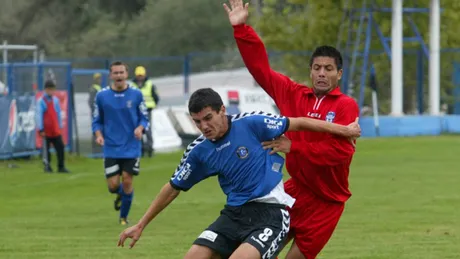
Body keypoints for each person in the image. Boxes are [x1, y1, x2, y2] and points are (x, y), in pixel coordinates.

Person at [117, 88, 360, 259]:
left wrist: (344, 130)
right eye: (197, 122)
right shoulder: (199, 151)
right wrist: (141, 224)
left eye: (208, 118)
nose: (204, 127)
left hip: (271, 214)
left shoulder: (252, 123)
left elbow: (300, 122)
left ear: (222, 110)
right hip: (234, 216)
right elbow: (173, 188)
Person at [224, 1, 360, 258]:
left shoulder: (346, 105)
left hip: (327, 202)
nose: (322, 73)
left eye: (328, 69)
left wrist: (294, 146)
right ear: (310, 71)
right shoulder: (292, 93)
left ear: (339, 74)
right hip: (294, 191)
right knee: (256, 250)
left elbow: (340, 152)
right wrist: (241, 29)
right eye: (317, 68)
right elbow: (260, 69)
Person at [92, 61, 150, 225]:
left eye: (121, 73)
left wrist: (140, 128)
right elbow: (96, 120)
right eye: (115, 73)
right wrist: (98, 135)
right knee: (112, 185)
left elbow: (144, 118)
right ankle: (122, 195)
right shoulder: (102, 96)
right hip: (111, 147)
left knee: (127, 180)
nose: (118, 76)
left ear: (126, 74)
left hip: (131, 147)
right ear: (111, 76)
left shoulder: (136, 94)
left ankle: (123, 218)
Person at [37, 80, 70, 173]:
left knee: (60, 147)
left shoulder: (55, 100)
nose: (51, 91)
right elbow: (38, 115)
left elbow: (58, 113)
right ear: (46, 89)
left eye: (53, 89)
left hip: (55, 130)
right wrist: (40, 128)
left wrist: (59, 126)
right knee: (46, 150)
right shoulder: (41, 101)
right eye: (50, 89)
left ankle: (61, 166)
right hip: (46, 130)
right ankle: (47, 166)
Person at [131, 66, 160, 158]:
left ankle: (150, 149)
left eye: (141, 75)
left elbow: (156, 97)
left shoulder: (150, 84)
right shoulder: (132, 85)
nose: (140, 77)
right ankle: (141, 149)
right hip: (136, 111)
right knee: (139, 130)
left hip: (147, 110)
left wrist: (152, 106)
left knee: (147, 130)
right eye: (138, 75)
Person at [89, 73, 102, 154]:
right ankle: (95, 151)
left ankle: (99, 149)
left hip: (101, 113)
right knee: (96, 131)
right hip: (96, 113)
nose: (99, 80)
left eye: (99, 78)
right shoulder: (94, 89)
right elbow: (91, 102)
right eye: (98, 78)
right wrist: (95, 111)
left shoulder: (99, 88)